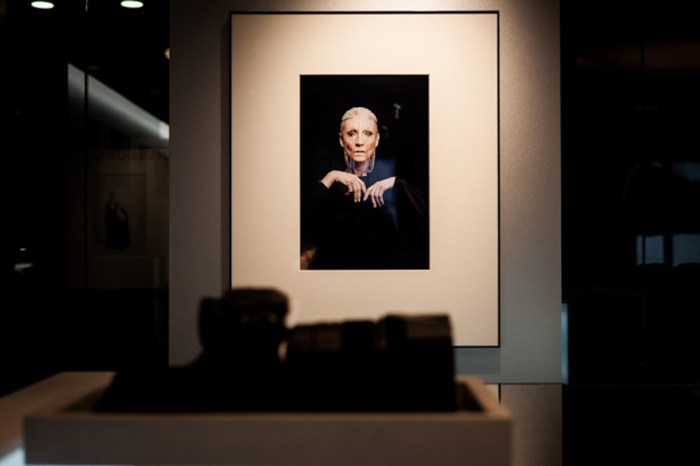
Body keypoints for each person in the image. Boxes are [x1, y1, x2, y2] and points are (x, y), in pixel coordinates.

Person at [301, 107, 428, 270]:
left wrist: (396, 182)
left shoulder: (393, 181)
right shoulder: (329, 184)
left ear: (377, 139)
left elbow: (425, 226)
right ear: (341, 139)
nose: (359, 142)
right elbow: (305, 227)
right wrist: (331, 177)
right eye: (351, 133)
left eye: (367, 134)